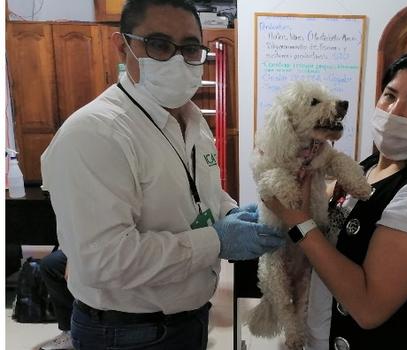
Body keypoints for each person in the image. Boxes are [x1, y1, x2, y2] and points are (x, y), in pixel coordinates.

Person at [40, 1, 284, 349]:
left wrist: (232, 213)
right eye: (158, 44)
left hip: (190, 318)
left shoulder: (193, 119)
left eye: (188, 48)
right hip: (125, 333)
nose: (176, 59)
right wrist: (217, 240)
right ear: (121, 45)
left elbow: (202, 193)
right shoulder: (94, 133)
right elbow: (104, 260)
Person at [264, 48, 407, 349]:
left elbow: (369, 308)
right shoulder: (367, 169)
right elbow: (319, 204)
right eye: (390, 95)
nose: (394, 111)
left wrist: (300, 224)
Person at [39, 250, 74, 350]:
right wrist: (71, 259)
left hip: (114, 245)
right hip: (85, 245)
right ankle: (69, 331)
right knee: (50, 264)